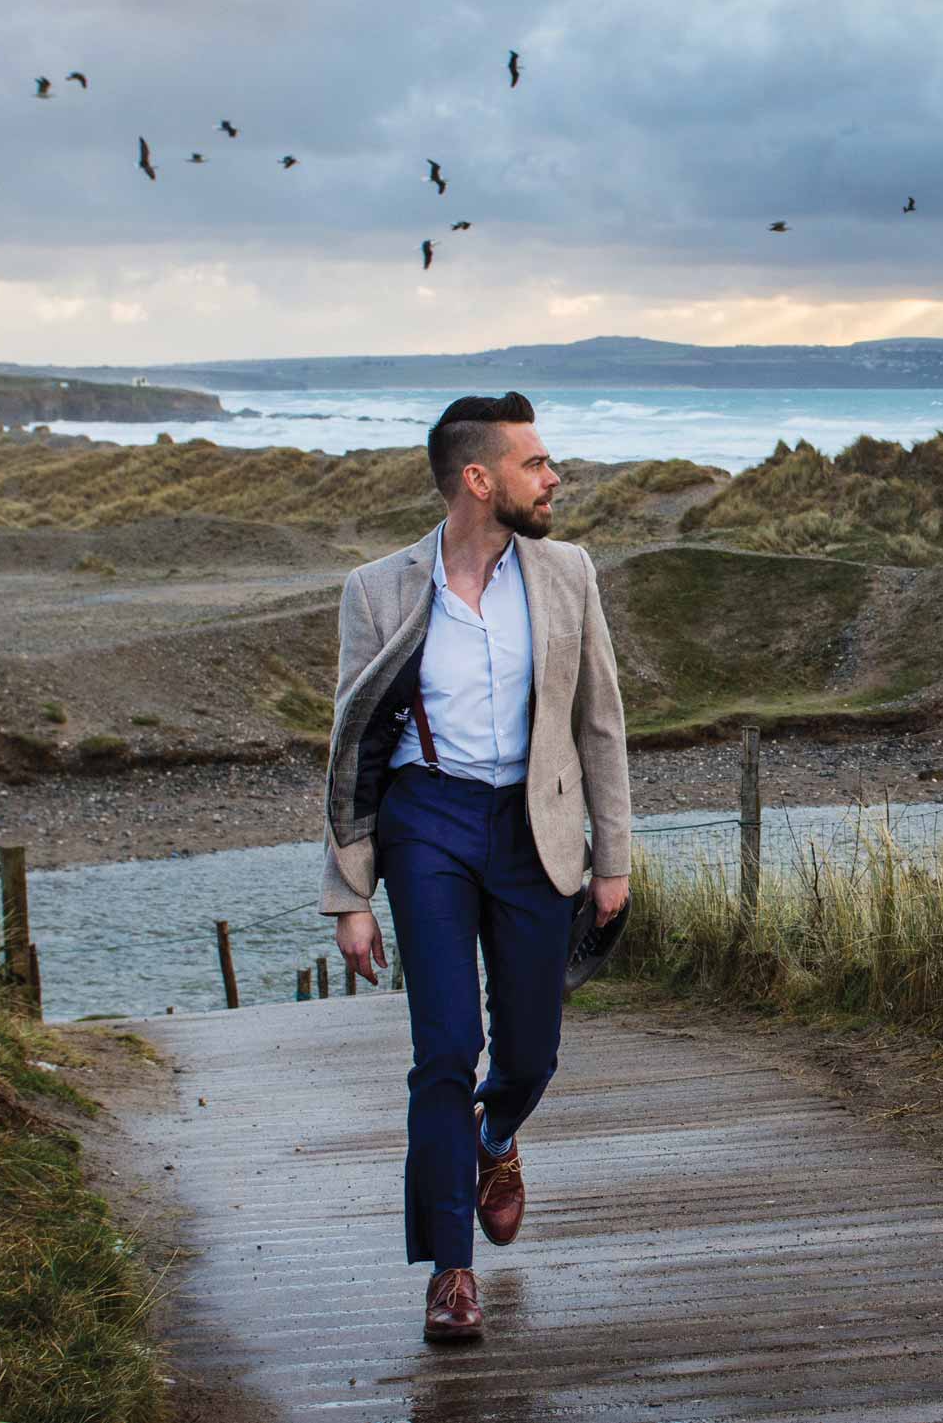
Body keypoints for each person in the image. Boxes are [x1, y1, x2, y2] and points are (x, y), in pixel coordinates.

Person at [317, 391, 630, 1342]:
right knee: (446, 1044)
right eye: (536, 464)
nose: (554, 477)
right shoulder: (378, 589)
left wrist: (612, 857)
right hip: (429, 823)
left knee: (529, 1049)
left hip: (536, 824)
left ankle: (497, 1136)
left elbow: (600, 722)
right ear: (478, 480)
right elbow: (350, 744)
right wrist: (349, 893)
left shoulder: (568, 572)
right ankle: (450, 1270)